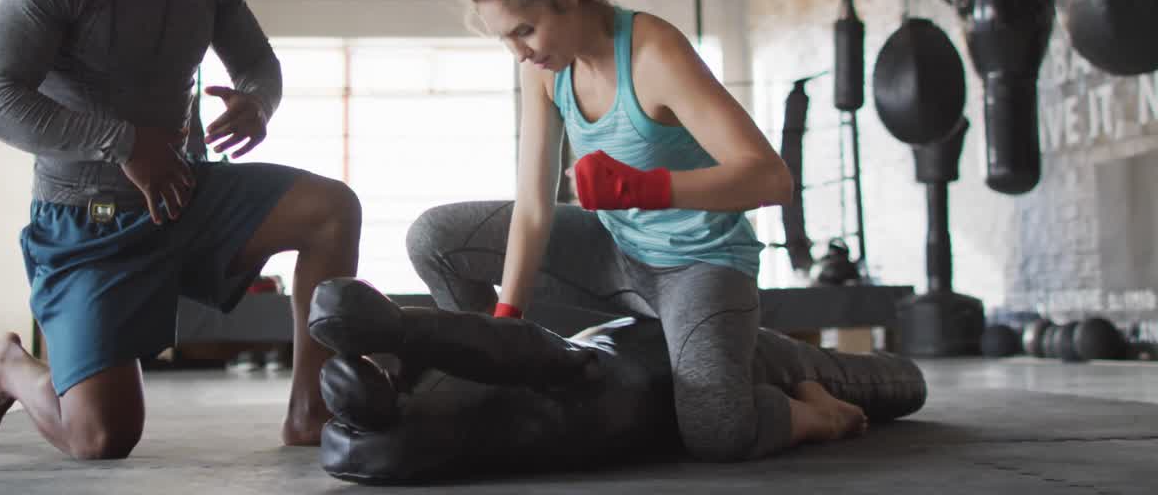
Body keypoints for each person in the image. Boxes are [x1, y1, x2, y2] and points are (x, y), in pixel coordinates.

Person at [407, 0, 868, 462]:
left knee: (718, 430)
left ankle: (818, 411)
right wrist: (507, 325)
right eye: (504, 37)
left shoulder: (653, 52)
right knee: (435, 238)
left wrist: (644, 188)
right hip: (614, 252)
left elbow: (772, 180)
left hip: (697, 263)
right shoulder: (545, 69)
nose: (518, 52)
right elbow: (532, 207)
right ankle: (484, 379)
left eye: (524, 30)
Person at [0, 0, 359, 459]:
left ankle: (310, 410)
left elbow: (259, 66)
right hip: (86, 223)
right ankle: (9, 365)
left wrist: (258, 103)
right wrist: (124, 143)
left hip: (181, 194)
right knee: (101, 437)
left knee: (332, 212)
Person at [305, 277, 927, 483]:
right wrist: (399, 339)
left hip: (724, 352)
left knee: (877, 381)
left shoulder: (561, 374)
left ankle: (822, 413)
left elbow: (515, 350)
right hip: (659, 363)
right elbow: (511, 353)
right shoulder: (561, 397)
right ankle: (814, 412)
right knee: (695, 413)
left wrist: (401, 327)